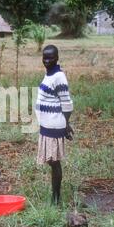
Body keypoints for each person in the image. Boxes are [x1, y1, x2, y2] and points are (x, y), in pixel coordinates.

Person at [35, 45, 74, 205]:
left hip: (54, 125)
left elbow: (67, 104)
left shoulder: (59, 76)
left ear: (57, 58)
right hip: (47, 125)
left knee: (54, 162)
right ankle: (55, 197)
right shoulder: (49, 74)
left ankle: (56, 198)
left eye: (50, 58)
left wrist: (66, 124)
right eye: (44, 57)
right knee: (52, 161)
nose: (47, 61)